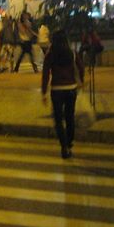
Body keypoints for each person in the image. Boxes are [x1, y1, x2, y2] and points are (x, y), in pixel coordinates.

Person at [41, 29, 84, 159]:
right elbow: (81, 68)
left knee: (59, 119)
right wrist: (81, 81)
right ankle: (69, 142)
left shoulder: (50, 54)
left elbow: (45, 74)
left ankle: (63, 145)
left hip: (57, 89)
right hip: (71, 88)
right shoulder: (72, 53)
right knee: (70, 116)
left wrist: (44, 92)